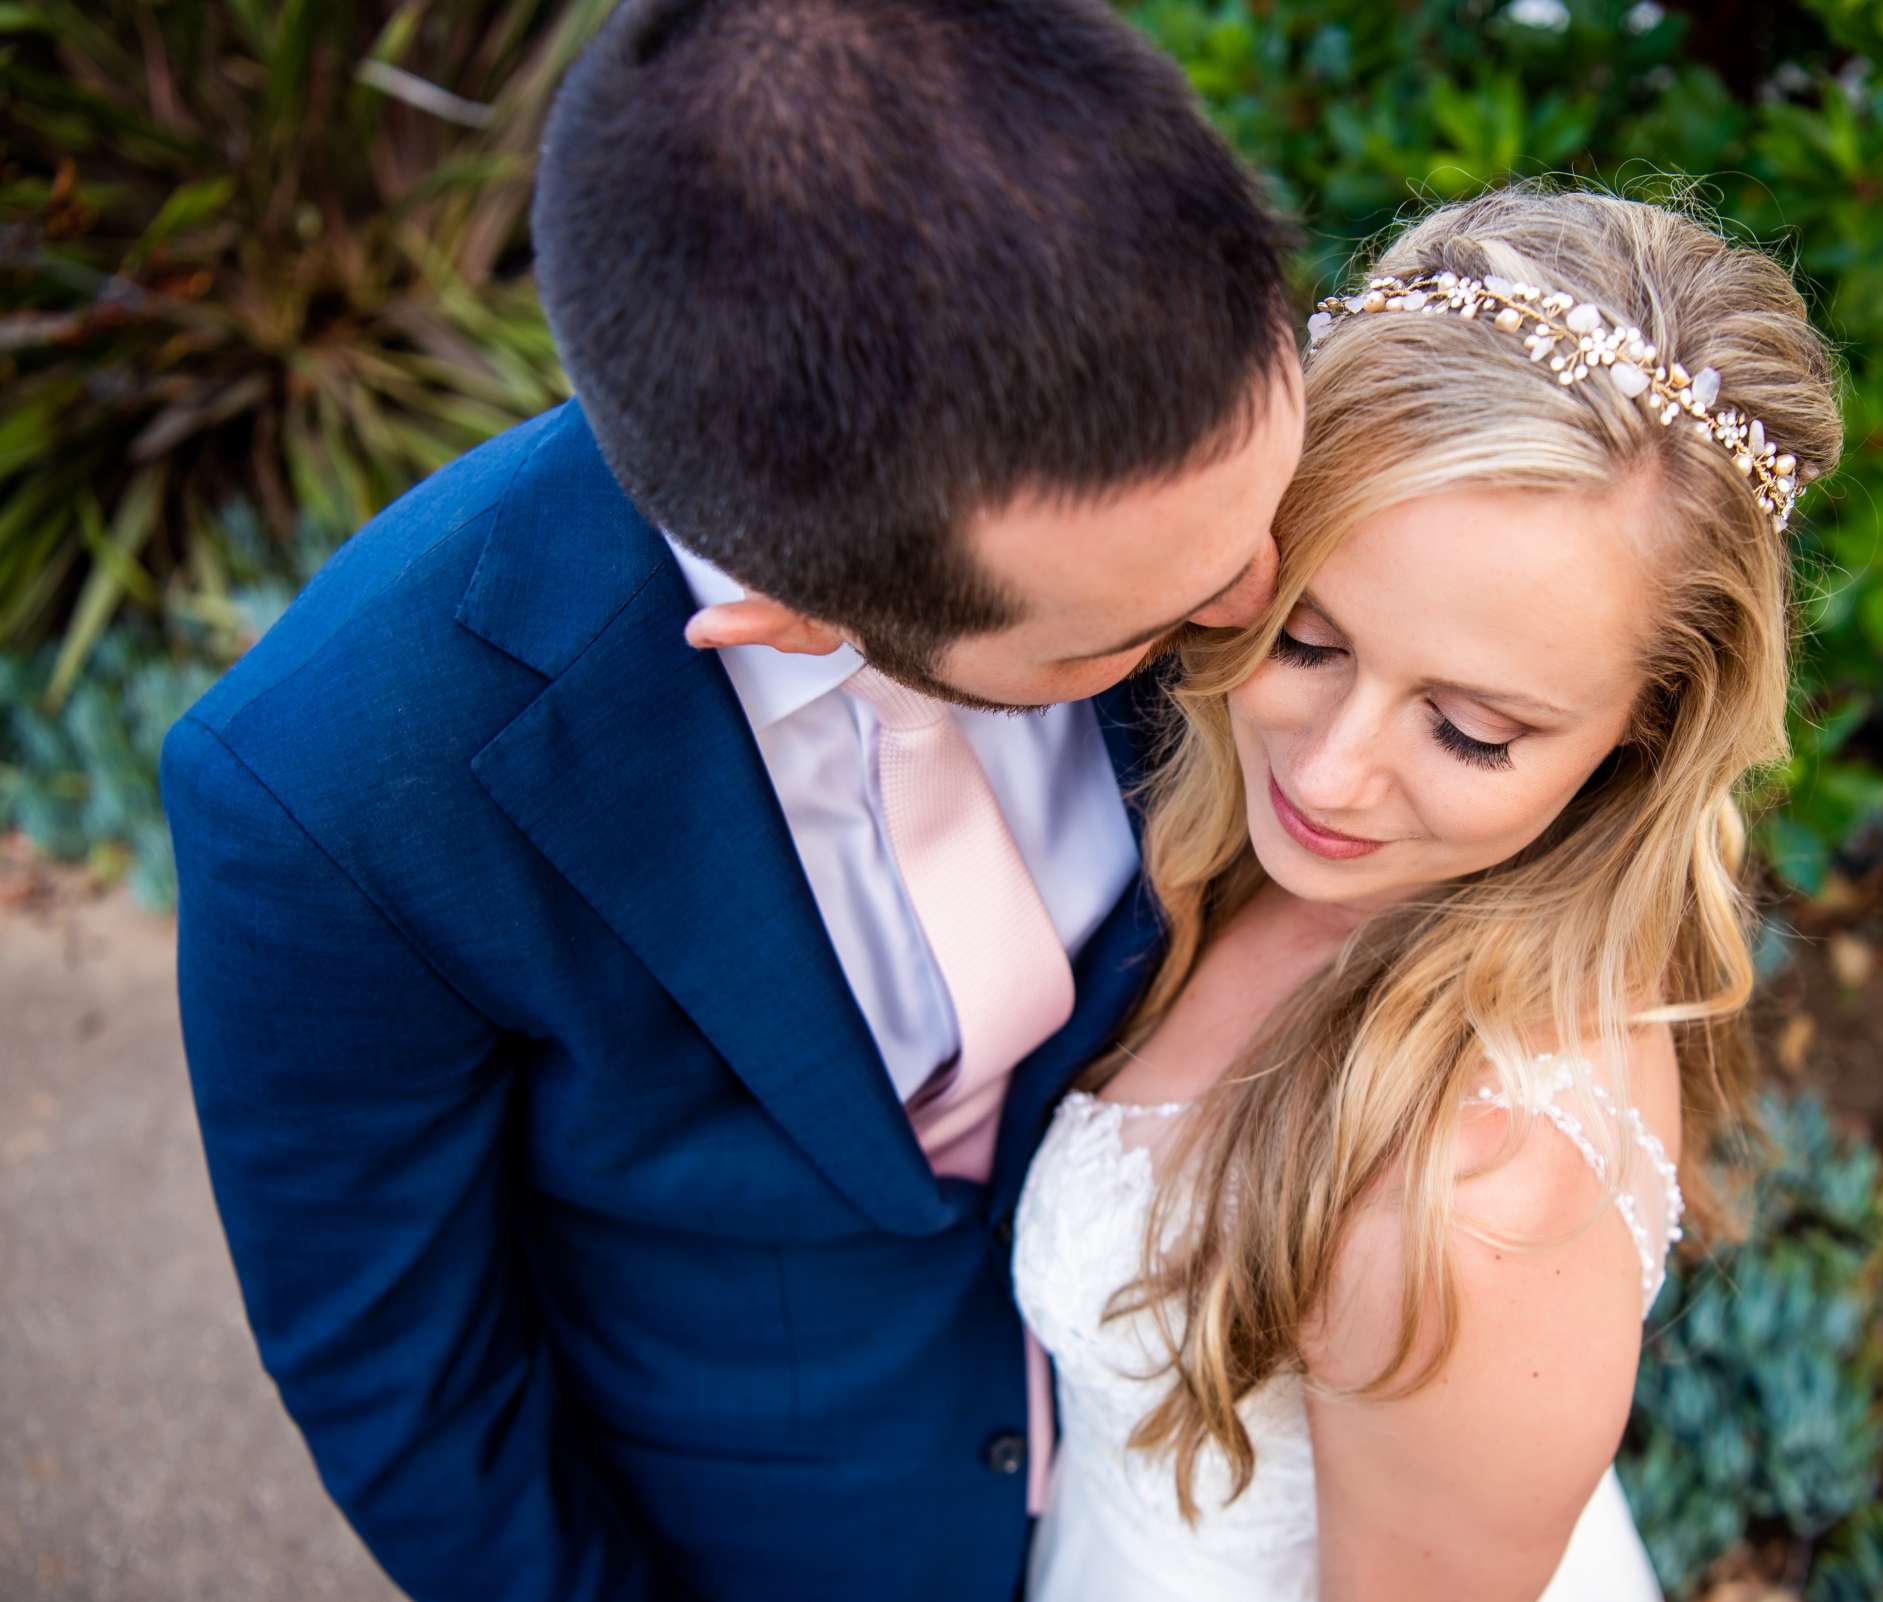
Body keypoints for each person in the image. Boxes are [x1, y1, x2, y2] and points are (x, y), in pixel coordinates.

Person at [160, 1, 1299, 1598]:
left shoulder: (1162, 464)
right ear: (793, 605)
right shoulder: (334, 794)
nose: (1265, 606)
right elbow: (408, 1388)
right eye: (1136, 631)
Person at [1013, 186, 1843, 1601]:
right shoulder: (1298, 845)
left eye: (1469, 731)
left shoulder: (1474, 1202)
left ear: (1644, 727)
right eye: (1309, 637)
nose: (1332, 776)